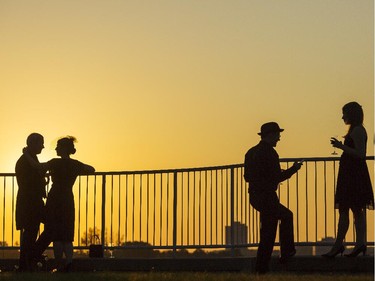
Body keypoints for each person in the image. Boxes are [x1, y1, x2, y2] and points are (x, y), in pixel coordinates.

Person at [23, 136, 95, 271]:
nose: (55, 148)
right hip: (68, 198)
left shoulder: (55, 163)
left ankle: (58, 264)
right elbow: (91, 169)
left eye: (58, 146)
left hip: (55, 199)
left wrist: (26, 154)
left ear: (62, 149)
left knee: (56, 233)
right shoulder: (74, 164)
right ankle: (69, 263)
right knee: (67, 234)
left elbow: (37, 166)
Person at [244, 122, 303, 274]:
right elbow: (277, 177)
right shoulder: (270, 153)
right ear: (270, 135)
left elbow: (247, 176)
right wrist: (293, 169)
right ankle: (286, 252)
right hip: (267, 196)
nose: (279, 138)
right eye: (277, 135)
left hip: (255, 196)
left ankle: (262, 267)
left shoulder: (250, 152)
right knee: (285, 217)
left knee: (268, 231)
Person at [322, 102, 374, 258]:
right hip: (351, 175)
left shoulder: (358, 130)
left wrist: (340, 146)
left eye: (344, 113)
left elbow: (360, 154)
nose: (342, 116)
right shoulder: (356, 129)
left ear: (352, 114)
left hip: (353, 176)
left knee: (350, 210)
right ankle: (357, 244)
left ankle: (341, 245)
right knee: (355, 211)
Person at [15, 133, 47, 271]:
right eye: (40, 143)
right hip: (30, 202)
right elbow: (28, 183)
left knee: (31, 232)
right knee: (31, 233)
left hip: (31, 202)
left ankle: (28, 260)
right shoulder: (25, 161)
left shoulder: (28, 159)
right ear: (33, 144)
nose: (43, 147)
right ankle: (28, 260)